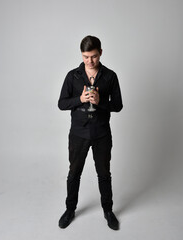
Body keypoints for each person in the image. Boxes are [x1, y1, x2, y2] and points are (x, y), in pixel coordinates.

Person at [58, 35, 123, 230]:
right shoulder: (73, 76)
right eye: (86, 57)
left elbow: (118, 106)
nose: (90, 61)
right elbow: (61, 103)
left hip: (102, 133)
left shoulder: (110, 76)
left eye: (93, 56)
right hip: (78, 133)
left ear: (100, 53)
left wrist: (100, 102)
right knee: (74, 174)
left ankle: (108, 211)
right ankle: (70, 210)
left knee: (104, 174)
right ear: (82, 55)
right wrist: (79, 99)